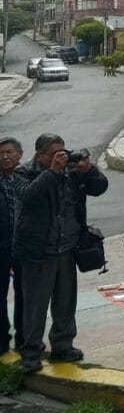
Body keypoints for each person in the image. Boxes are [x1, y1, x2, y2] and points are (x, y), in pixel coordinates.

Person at [14, 134, 108, 373]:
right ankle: (31, 353)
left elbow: (100, 188)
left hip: (67, 248)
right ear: (40, 155)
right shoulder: (24, 172)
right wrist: (53, 172)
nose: (62, 157)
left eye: (63, 151)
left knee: (65, 302)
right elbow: (28, 196)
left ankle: (63, 345)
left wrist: (89, 171)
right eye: (55, 153)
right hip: (38, 251)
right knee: (35, 306)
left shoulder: (72, 171)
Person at [0, 138, 24, 355]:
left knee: (24, 294)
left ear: (20, 154)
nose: (5, 157)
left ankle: (24, 338)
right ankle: (1, 339)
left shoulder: (27, 176)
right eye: (1, 153)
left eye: (9, 152)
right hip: (2, 246)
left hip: (24, 246)